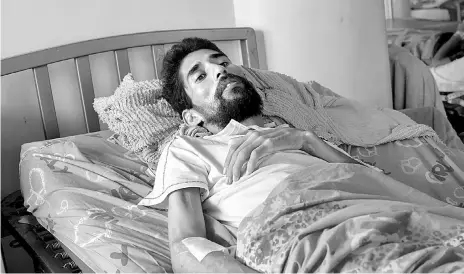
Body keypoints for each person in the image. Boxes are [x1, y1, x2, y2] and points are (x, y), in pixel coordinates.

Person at [139, 38, 374, 272]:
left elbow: (376, 182)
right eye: (200, 76)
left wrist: (306, 140)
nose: (220, 70)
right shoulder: (187, 148)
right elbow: (185, 246)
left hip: (370, 216)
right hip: (304, 240)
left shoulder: (292, 132)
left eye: (224, 62)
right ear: (191, 117)